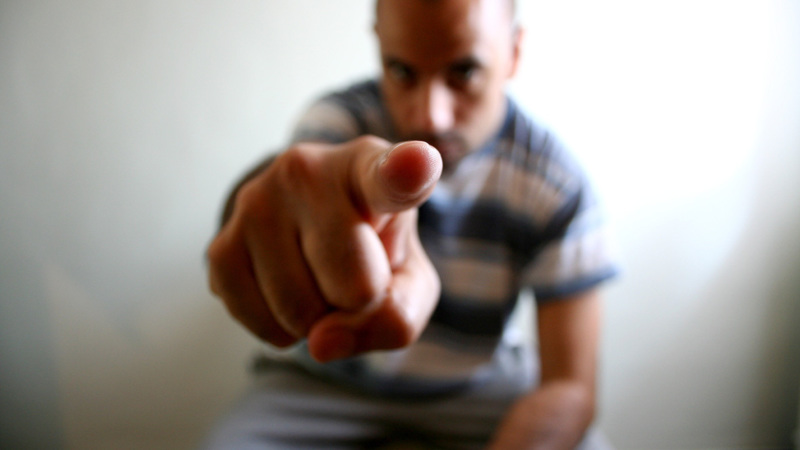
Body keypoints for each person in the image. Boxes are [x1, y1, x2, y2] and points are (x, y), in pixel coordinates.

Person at [203, 0, 618, 448]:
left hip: (478, 388)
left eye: (463, 71)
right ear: (378, 43)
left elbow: (570, 386)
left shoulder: (554, 184)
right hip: (323, 385)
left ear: (514, 52)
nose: (430, 117)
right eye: (401, 71)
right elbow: (293, 187)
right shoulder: (341, 122)